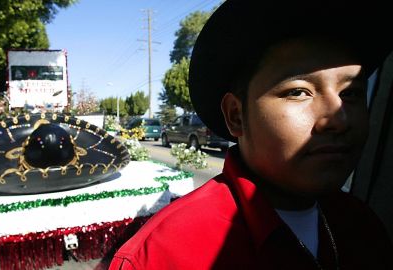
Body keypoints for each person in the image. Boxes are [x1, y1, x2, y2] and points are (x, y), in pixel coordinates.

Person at [109, 0, 393, 269]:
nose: (339, 119)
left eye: (351, 93)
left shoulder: (363, 225)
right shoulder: (161, 254)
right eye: (298, 92)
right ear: (236, 115)